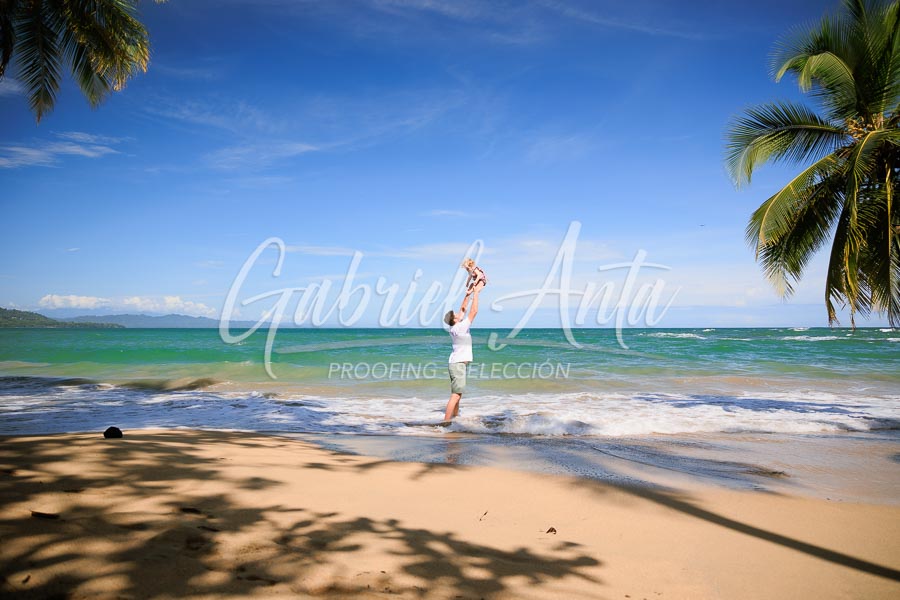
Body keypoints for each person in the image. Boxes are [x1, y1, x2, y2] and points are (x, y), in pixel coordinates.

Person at [442, 283, 482, 422]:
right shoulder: (460, 327)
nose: (459, 314)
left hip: (455, 364)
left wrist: (467, 294)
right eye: (456, 314)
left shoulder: (455, 326)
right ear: (455, 319)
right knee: (456, 395)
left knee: (457, 393)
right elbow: (474, 311)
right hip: (458, 365)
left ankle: (455, 417)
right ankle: (446, 423)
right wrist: (476, 293)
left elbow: (463, 309)